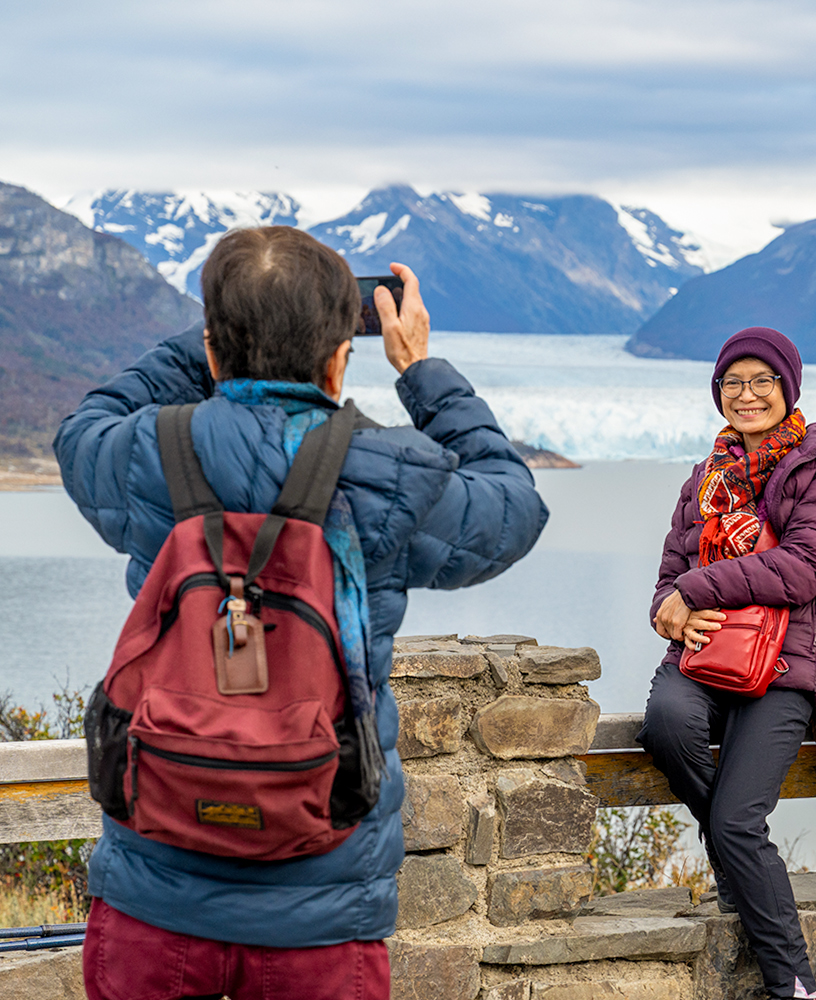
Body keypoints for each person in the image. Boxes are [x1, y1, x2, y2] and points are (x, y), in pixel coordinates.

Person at [54, 226, 548, 1000]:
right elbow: (513, 508)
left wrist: (231, 328)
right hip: (321, 907)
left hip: (154, 898)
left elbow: (85, 424)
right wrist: (421, 370)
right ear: (339, 358)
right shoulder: (389, 473)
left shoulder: (146, 455)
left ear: (214, 349)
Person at [638, 327, 816, 1000]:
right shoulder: (704, 479)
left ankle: (795, 984)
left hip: (791, 654)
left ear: (788, 388)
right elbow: (669, 576)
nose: (747, 394)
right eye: (733, 383)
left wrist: (695, 592)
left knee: (736, 820)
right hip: (708, 650)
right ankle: (743, 870)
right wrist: (666, 609)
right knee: (666, 725)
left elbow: (805, 568)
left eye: (763, 380)